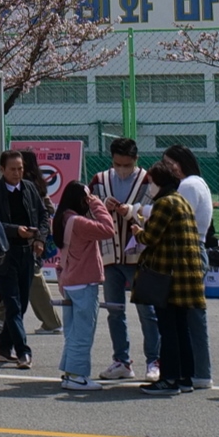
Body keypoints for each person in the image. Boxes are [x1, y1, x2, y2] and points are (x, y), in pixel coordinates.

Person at [136, 163, 206, 392]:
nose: (150, 187)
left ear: (159, 182)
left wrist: (138, 231)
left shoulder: (164, 203)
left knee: (168, 329)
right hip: (186, 275)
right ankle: (185, 378)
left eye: (151, 182)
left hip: (168, 276)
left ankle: (169, 378)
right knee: (181, 328)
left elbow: (150, 237)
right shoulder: (181, 201)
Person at [0, 149, 58, 359]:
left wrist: (40, 239)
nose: (17, 173)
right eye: (12, 169)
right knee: (12, 304)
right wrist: (15, 230)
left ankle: (3, 347)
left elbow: (43, 215)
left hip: (27, 252)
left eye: (20, 168)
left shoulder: (29, 188)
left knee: (22, 303)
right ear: (2, 169)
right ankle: (23, 352)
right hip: (5, 255)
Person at [93, 138, 154, 382]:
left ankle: (154, 360)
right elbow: (87, 210)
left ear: (135, 160)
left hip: (139, 255)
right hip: (109, 255)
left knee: (147, 311)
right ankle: (121, 360)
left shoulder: (148, 181)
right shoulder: (100, 180)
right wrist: (102, 207)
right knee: (114, 311)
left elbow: (153, 215)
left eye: (127, 165)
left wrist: (130, 212)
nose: (122, 169)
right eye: (117, 164)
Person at [162, 145, 219, 386]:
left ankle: (199, 372)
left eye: (171, 163)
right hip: (196, 248)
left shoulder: (188, 186)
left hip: (189, 250)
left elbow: (174, 217)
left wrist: (139, 213)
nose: (169, 169)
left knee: (192, 317)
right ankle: (197, 371)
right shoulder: (198, 183)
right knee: (192, 315)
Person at [53, 181, 112, 389]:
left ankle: (70, 371)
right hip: (84, 282)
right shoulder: (78, 222)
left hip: (70, 281)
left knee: (73, 333)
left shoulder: (63, 218)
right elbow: (108, 229)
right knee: (83, 333)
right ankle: (77, 376)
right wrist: (97, 203)